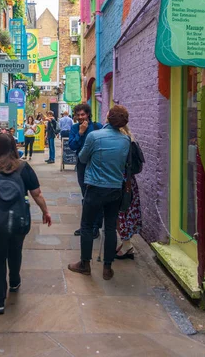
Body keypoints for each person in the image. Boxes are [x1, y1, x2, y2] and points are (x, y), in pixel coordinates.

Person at [0, 133, 52, 314]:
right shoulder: (23, 167)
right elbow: (37, 193)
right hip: (17, 220)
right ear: (14, 147)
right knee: (16, 251)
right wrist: (46, 212)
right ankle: (14, 281)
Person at [68, 105, 130, 281]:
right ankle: (107, 267)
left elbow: (82, 158)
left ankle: (85, 264)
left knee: (87, 225)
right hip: (115, 188)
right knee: (110, 227)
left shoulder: (95, 136)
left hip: (95, 186)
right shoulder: (125, 140)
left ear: (108, 117)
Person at [68, 103, 102, 236]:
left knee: (96, 195)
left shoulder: (97, 127)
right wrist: (80, 133)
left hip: (96, 164)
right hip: (82, 164)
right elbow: (72, 146)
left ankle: (96, 227)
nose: (80, 117)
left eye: (83, 114)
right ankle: (86, 225)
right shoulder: (75, 128)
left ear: (88, 114)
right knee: (86, 195)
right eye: (78, 115)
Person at [115, 126, 142, 260]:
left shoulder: (122, 143)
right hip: (130, 183)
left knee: (121, 214)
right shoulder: (131, 140)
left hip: (122, 184)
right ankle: (127, 244)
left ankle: (127, 246)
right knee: (124, 213)